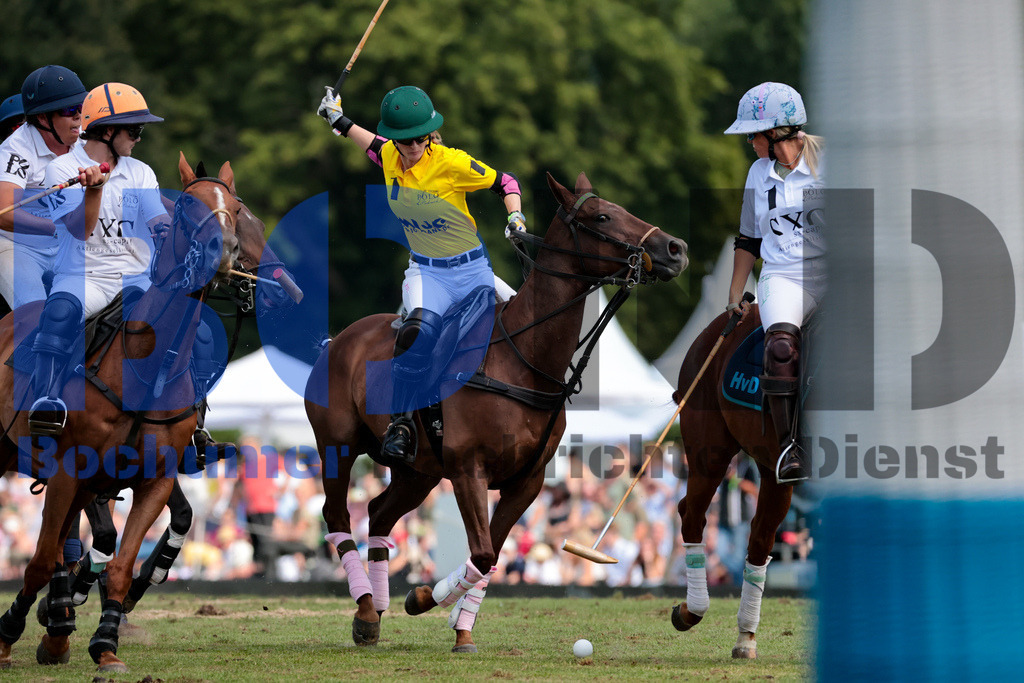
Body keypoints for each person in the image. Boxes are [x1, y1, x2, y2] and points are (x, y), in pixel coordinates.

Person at [317, 85, 526, 464]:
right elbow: (367, 140)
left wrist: (515, 218)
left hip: (474, 270)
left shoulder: (452, 163)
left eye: (419, 139)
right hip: (427, 274)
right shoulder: (389, 155)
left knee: (523, 328)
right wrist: (336, 117)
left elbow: (506, 183)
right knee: (420, 332)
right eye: (404, 140)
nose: (412, 147)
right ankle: (401, 422)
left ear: (430, 135)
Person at [26, 82, 226, 459]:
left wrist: (188, 241)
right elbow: (77, 230)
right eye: (133, 130)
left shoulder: (140, 172)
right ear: (106, 129)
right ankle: (46, 402)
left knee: (196, 331)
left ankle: (195, 423)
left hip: (136, 280)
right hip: (81, 276)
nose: (138, 138)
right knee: (59, 313)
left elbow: (156, 224)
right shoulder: (63, 169)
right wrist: (93, 191)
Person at [724, 82, 825, 483]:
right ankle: (790, 448)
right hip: (784, 274)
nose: (750, 142)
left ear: (778, 132)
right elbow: (749, 237)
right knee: (781, 346)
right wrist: (735, 292)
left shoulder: (830, 161)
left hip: (835, 274)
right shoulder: (758, 173)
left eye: (754, 134)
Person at [0, 65, 88, 311]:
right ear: (42, 118)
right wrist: (59, 227)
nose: (78, 117)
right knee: (36, 312)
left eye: (81, 108)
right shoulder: (15, 150)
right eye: (70, 110)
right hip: (18, 248)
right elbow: (5, 212)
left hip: (69, 250)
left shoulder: (85, 138)